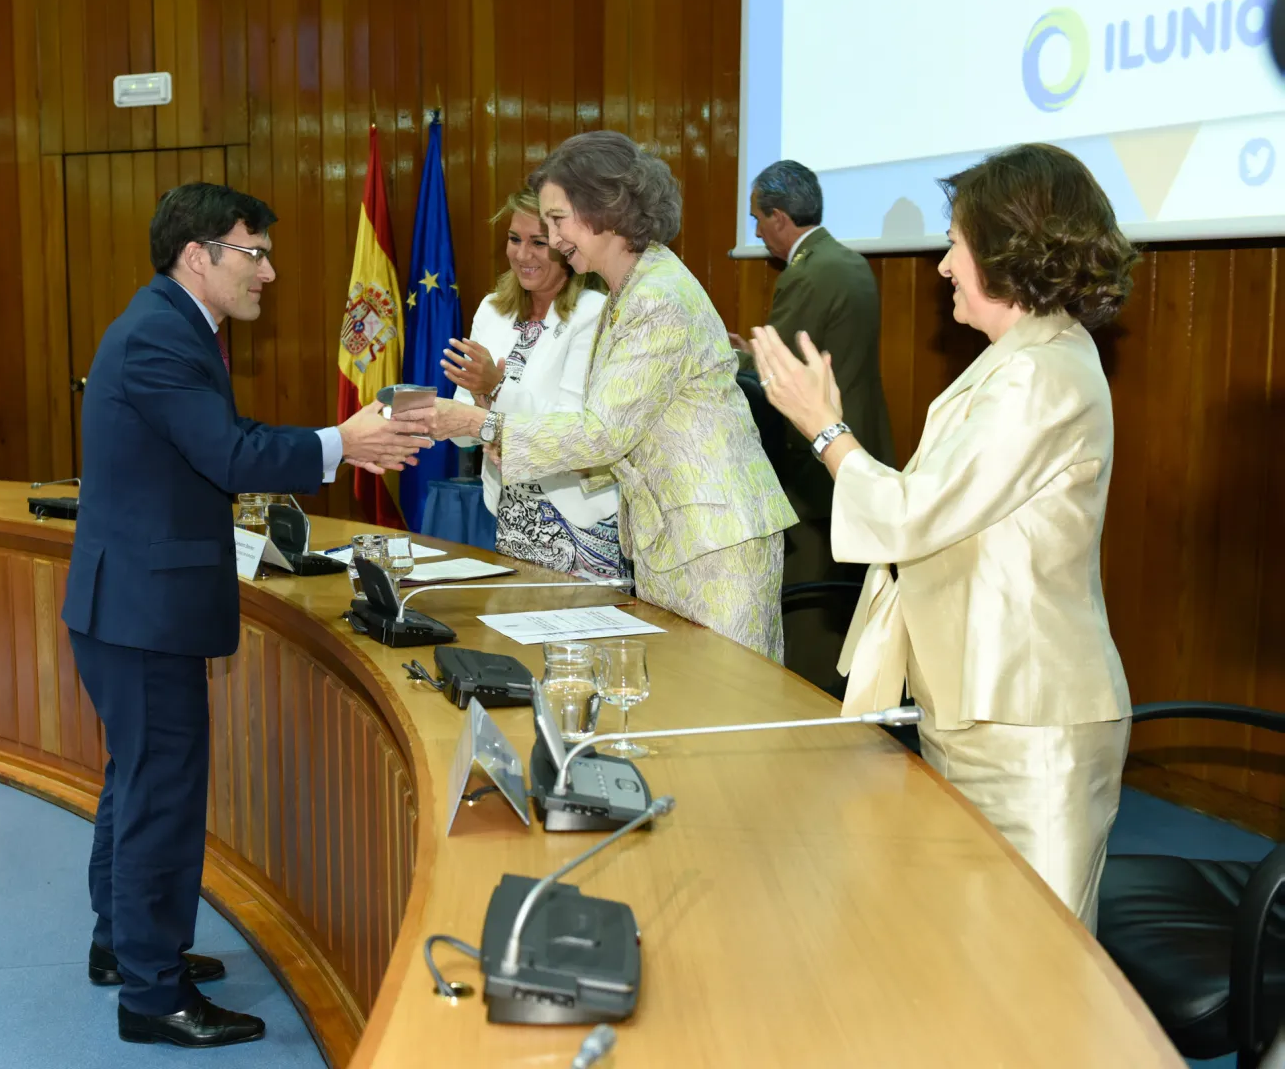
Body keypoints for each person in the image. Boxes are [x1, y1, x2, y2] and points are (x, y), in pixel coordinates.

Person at [63, 182, 433, 1048]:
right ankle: (154, 997)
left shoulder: (171, 325)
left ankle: (125, 946)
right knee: (161, 792)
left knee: (137, 780)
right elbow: (227, 454)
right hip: (143, 612)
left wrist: (329, 441)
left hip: (133, 604)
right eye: (253, 253)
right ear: (200, 256)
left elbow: (216, 439)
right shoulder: (162, 334)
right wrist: (345, 442)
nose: (269, 271)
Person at [748, 143, 1137, 930]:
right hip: (980, 707)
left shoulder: (1041, 374)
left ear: (1009, 247)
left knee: (1035, 976)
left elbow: (909, 517)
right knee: (969, 957)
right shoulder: (1022, 359)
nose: (942, 265)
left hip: (1030, 722)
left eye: (956, 242)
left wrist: (826, 432)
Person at [432, 132, 795, 659]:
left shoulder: (657, 298)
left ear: (604, 208)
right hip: (673, 536)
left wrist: (477, 425)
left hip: (714, 540)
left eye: (557, 221)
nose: (553, 240)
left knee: (722, 706)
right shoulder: (632, 289)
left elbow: (602, 433)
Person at [737, 160, 895, 689]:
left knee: (812, 613)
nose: (756, 232)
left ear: (780, 217)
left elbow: (784, 372)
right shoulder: (849, 262)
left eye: (759, 219)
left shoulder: (806, 272)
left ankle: (811, 712)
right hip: (862, 445)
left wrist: (728, 359)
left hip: (816, 465)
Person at [440, 188, 620, 577]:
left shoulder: (594, 312)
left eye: (538, 243)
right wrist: (476, 412)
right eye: (514, 239)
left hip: (578, 517)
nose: (522, 255)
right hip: (510, 513)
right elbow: (462, 434)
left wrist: (495, 388)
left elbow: (572, 428)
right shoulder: (491, 310)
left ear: (563, 245)